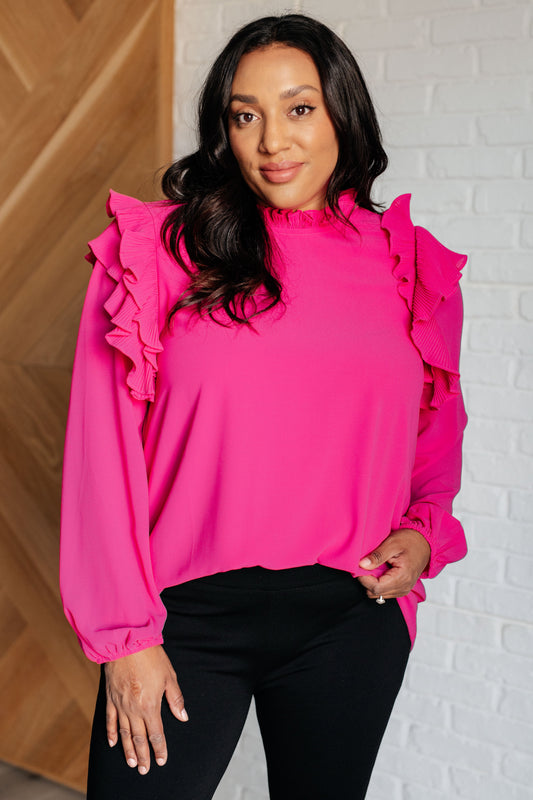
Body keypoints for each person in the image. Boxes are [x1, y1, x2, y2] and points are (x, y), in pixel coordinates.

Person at [60, 13, 468, 800]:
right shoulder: (160, 252)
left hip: (348, 617)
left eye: (298, 108)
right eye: (244, 115)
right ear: (224, 129)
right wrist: (123, 640)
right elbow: (98, 459)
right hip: (181, 624)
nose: (272, 141)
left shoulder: (407, 264)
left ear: (343, 113)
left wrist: (421, 537)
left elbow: (433, 439)